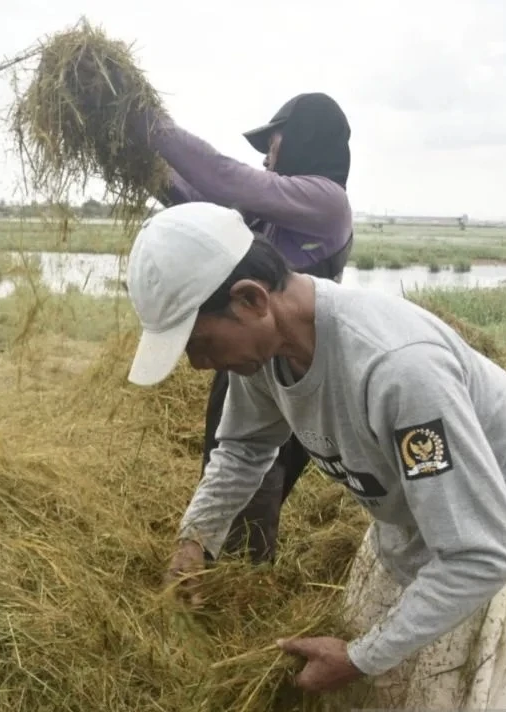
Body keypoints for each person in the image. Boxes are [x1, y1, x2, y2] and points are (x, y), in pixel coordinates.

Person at [123, 201, 506, 709]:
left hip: (491, 549)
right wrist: (195, 540)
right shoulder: (265, 355)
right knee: (365, 693)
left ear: (250, 299)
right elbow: (245, 450)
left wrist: (360, 656)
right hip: (409, 525)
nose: (200, 365)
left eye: (200, 344)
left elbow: (482, 552)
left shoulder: (398, 370)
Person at [130, 92, 355, 564]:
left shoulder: (326, 201)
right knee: (229, 459)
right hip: (248, 357)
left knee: (266, 472)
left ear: (304, 141)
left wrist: (147, 122)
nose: (268, 158)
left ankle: (242, 579)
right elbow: (202, 202)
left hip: (295, 360)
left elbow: (226, 180)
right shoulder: (270, 217)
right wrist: (136, 161)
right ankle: (215, 559)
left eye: (274, 144)